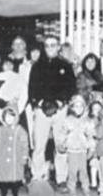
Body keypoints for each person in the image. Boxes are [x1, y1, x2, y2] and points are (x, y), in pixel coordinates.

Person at [28, 36, 77, 186]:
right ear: (44, 47)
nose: (50, 48)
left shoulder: (65, 65)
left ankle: (61, 179)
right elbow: (32, 88)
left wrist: (60, 102)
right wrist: (41, 103)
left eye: (53, 45)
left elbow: (71, 87)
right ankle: (38, 177)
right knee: (39, 146)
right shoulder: (37, 66)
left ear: (58, 47)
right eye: (47, 45)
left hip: (60, 109)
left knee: (60, 146)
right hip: (41, 110)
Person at [0, 104, 29, 196]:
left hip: (15, 160)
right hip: (2, 160)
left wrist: (24, 156)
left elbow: (24, 145)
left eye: (12, 116)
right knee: (3, 180)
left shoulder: (20, 130)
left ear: (16, 117)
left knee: (14, 180)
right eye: (7, 116)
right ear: (3, 117)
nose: (9, 119)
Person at [56, 94, 95, 196]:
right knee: (72, 170)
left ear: (84, 107)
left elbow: (91, 136)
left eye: (81, 106)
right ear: (72, 107)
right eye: (76, 106)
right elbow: (62, 133)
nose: (78, 109)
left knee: (83, 170)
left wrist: (91, 148)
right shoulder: (67, 120)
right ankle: (71, 187)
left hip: (82, 149)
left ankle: (85, 186)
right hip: (71, 149)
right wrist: (60, 144)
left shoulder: (88, 121)